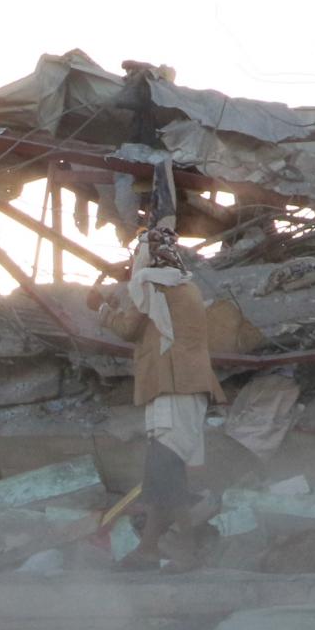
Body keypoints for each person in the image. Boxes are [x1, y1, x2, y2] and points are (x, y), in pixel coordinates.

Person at [90, 219, 220, 563]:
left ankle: (186, 552)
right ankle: (147, 549)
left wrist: (102, 310)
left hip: (170, 387)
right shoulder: (186, 287)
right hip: (192, 388)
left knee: (167, 478)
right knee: (165, 478)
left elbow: (129, 327)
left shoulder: (150, 284)